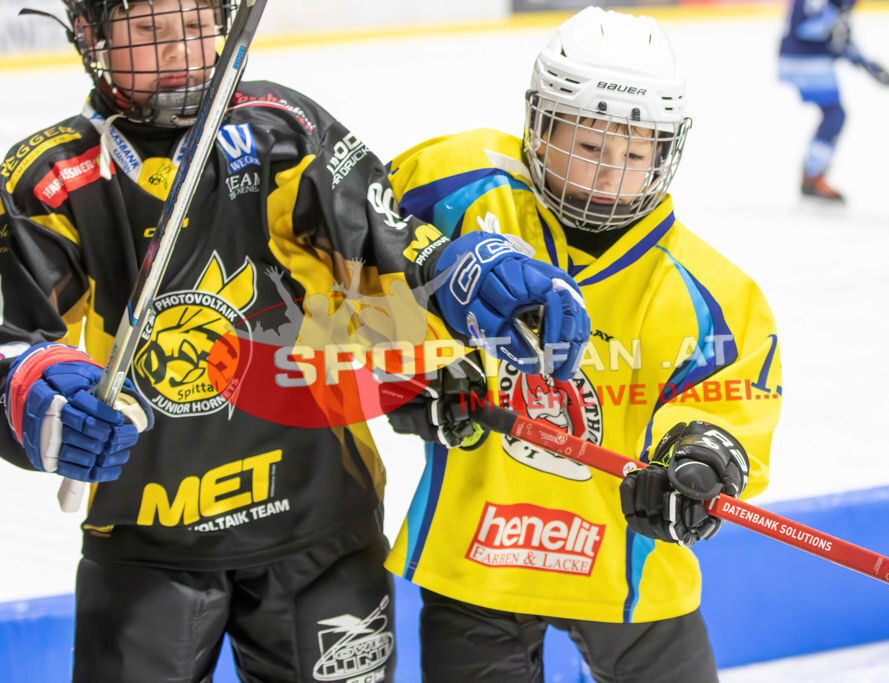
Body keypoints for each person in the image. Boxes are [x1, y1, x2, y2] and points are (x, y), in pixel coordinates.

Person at [0, 1, 589, 681]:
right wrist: (38, 394)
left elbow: (385, 245)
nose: (179, 51)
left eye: (194, 25)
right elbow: (14, 340)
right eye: (148, 31)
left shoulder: (281, 128)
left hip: (319, 522)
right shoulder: (49, 177)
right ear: (91, 38)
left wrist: (460, 270)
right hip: (146, 541)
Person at [381, 7, 783, 682]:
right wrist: (412, 365)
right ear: (540, 129)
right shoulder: (454, 186)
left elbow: (731, 397)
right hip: (479, 552)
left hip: (630, 566)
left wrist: (703, 460)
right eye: (590, 147)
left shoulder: (708, 290)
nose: (609, 175)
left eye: (635, 156)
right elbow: (349, 268)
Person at [778, 0, 889, 202]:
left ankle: (813, 173)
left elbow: (838, 35)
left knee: (834, 114)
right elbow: (809, 28)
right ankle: (813, 175)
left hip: (804, 58)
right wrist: (847, 51)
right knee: (834, 115)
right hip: (805, 60)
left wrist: (865, 63)